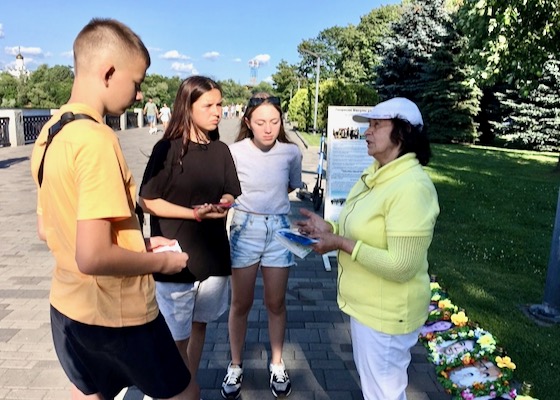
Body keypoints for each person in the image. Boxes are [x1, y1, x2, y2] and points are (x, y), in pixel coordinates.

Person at [30, 18, 197, 400]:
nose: (139, 95)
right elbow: (92, 255)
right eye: (136, 82)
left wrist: (138, 246)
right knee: (185, 393)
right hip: (118, 313)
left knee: (90, 390)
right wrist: (159, 263)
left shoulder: (52, 131)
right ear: (109, 72)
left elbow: (47, 229)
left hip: (67, 307)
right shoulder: (96, 140)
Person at [297, 97, 440, 400]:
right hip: (368, 309)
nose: (367, 132)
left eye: (377, 125)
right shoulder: (376, 174)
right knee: (376, 390)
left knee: (384, 394)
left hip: (387, 314)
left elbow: (402, 266)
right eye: (368, 125)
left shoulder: (411, 186)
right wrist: (330, 229)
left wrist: (339, 243)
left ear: (402, 133)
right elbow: (365, 231)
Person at [139, 75, 242, 399]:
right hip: (175, 260)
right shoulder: (166, 149)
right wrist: (194, 213)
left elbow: (230, 191)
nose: (217, 112)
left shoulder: (221, 149)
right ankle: (180, 391)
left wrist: (224, 204)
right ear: (188, 107)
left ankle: (188, 384)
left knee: (200, 326)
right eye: (209, 105)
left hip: (212, 258)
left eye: (220, 104)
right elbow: (148, 200)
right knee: (175, 339)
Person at [221, 93, 303, 399]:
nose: (268, 128)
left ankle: (277, 363)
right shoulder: (234, 151)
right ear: (247, 123)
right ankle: (235, 364)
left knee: (275, 303)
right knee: (240, 303)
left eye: (274, 121)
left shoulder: (291, 153)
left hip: (280, 228)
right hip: (245, 227)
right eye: (260, 122)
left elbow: (291, 185)